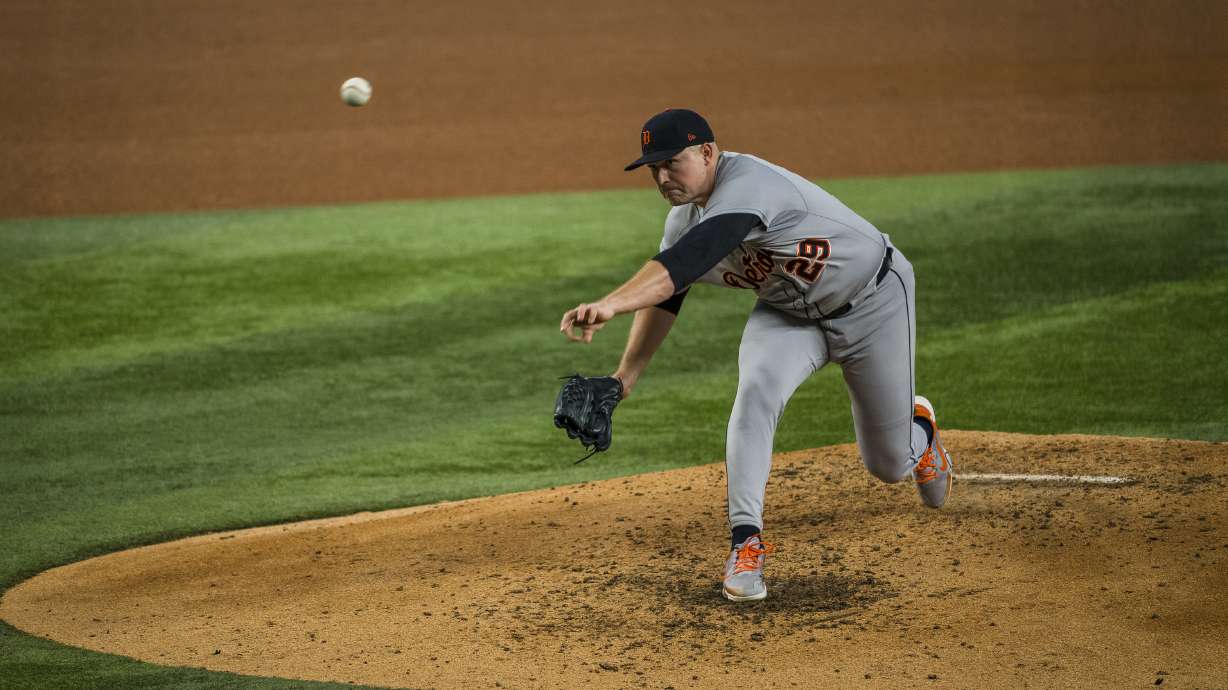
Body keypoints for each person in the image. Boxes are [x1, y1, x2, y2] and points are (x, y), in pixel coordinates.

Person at [558, 108, 953, 602]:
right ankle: (746, 546)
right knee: (754, 395)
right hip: (787, 313)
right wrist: (624, 378)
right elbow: (667, 297)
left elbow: (680, 266)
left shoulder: (749, 186)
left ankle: (921, 430)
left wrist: (610, 303)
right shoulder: (683, 220)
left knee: (889, 465)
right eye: (653, 169)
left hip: (873, 303)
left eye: (671, 162)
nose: (662, 177)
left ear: (707, 152)